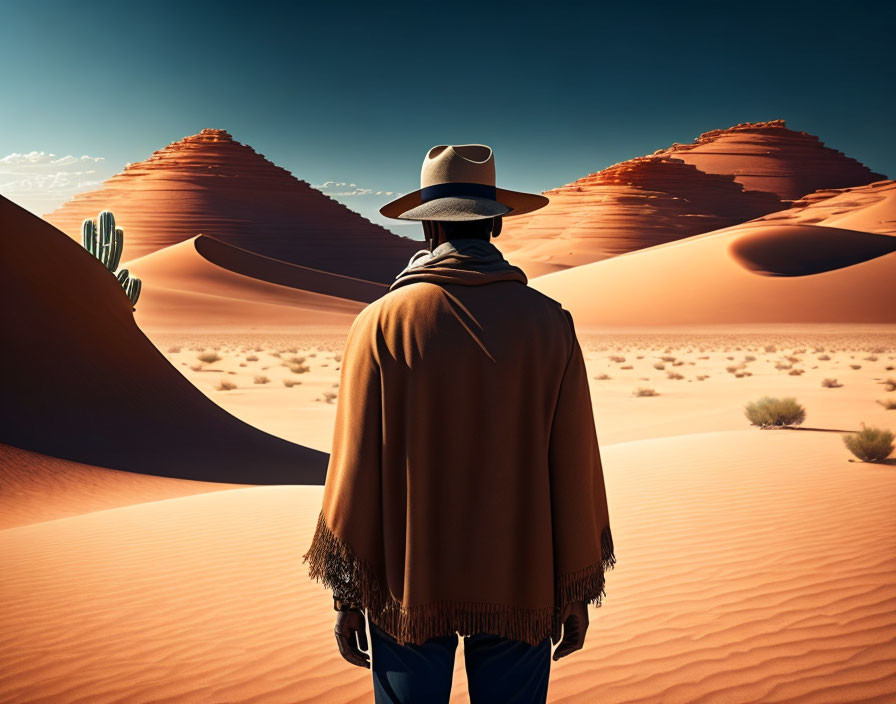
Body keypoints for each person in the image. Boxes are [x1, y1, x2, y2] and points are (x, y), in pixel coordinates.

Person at [303, 144, 615, 704]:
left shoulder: (379, 324)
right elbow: (573, 465)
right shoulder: (550, 324)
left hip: (409, 587)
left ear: (427, 228)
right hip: (521, 586)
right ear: (497, 223)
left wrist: (348, 596)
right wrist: (574, 590)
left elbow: (354, 469)